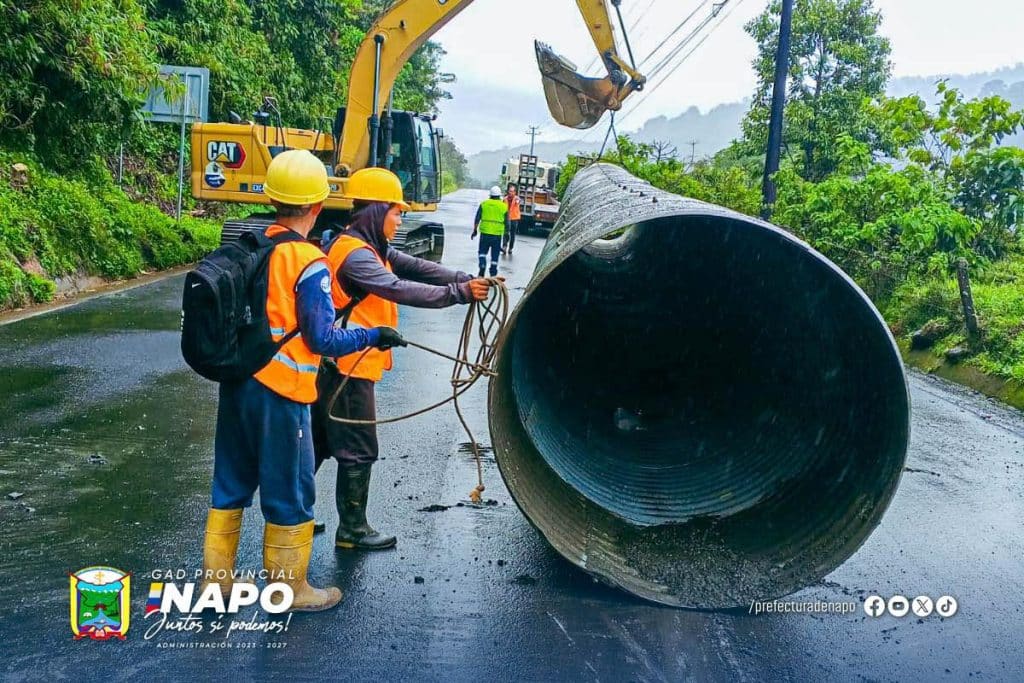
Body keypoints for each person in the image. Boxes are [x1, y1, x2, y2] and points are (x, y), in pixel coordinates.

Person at [200, 150, 404, 613]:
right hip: (283, 391)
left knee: (230, 483)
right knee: (290, 487)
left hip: (237, 385)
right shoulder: (308, 262)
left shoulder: (250, 245)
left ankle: (218, 583)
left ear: (272, 198)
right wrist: (374, 334)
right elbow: (323, 337)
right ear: (317, 205)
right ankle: (290, 589)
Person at [312, 167, 494, 550]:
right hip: (348, 367)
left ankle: (293, 517)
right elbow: (396, 288)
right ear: (378, 211)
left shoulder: (369, 246)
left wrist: (462, 277)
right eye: (397, 213)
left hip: (336, 362)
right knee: (358, 446)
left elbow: (418, 268)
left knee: (317, 443)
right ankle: (352, 531)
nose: (400, 221)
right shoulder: (357, 256)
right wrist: (458, 294)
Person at [472, 186, 509, 277]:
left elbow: (477, 218)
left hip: (485, 233)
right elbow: (507, 223)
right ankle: (493, 272)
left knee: (482, 252)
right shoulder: (503, 206)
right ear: (499, 196)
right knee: (495, 254)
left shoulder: (484, 204)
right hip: (497, 235)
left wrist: (475, 230)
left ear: (490, 195)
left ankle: (482, 266)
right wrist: (506, 235)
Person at [502, 183, 522, 255]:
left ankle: (510, 248)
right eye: (510, 191)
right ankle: (504, 247)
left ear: (515, 192)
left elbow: (519, 201)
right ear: (508, 191)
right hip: (507, 218)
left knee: (512, 234)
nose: (511, 193)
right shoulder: (505, 199)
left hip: (514, 219)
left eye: (512, 191)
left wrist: (517, 200)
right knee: (506, 233)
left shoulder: (517, 199)